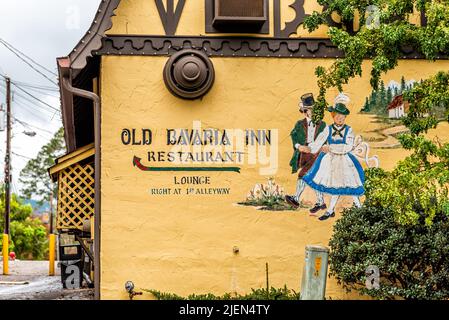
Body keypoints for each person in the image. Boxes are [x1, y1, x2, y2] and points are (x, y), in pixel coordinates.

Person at [298, 101, 365, 221]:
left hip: (344, 161)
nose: (340, 118)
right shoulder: (328, 129)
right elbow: (319, 141)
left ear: (345, 117)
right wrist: (310, 148)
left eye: (342, 116)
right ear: (333, 116)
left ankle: (359, 209)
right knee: (336, 186)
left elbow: (348, 147)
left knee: (351, 184)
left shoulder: (349, 130)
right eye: (337, 116)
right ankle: (331, 210)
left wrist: (331, 148)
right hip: (331, 162)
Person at [285, 93, 327, 215]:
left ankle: (296, 199)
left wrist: (325, 147)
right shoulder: (299, 124)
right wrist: (299, 147)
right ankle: (321, 202)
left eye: (314, 109)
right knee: (312, 177)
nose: (312, 112)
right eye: (309, 110)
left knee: (303, 175)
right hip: (304, 154)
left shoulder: (322, 125)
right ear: (305, 110)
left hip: (317, 153)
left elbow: (326, 140)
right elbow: (294, 137)